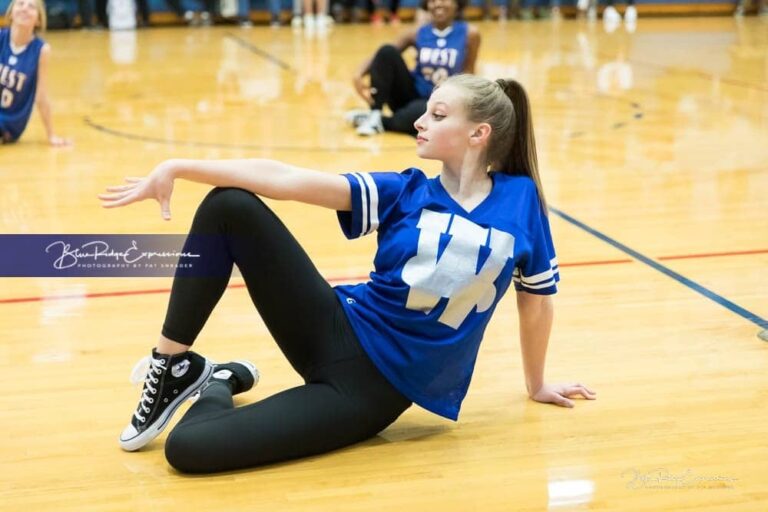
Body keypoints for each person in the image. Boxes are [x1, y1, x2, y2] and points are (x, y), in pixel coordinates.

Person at [99, 74, 595, 473]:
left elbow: (536, 297)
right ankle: (174, 366)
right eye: (425, 110)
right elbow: (288, 180)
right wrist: (178, 166)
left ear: (478, 133)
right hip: (334, 323)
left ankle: (217, 383)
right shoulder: (404, 190)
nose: (419, 121)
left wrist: (537, 383)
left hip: (367, 392)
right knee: (229, 206)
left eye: (437, 115)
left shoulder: (521, 201)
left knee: (188, 450)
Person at [348, 0, 480, 136]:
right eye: (433, 1)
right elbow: (383, 54)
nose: (438, 4)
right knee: (387, 50)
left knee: (425, 113)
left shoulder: (470, 33)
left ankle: (380, 121)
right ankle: (375, 113)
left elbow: (469, 71)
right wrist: (358, 74)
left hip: (442, 102)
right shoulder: (417, 32)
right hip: (411, 95)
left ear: (457, 4)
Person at [1, 0, 70, 146]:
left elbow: (41, 97)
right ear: (11, 12)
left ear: (38, 19)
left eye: (31, 6)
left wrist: (51, 135)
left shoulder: (41, 50)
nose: (25, 9)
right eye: (20, 3)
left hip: (9, 123)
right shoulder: (1, 38)